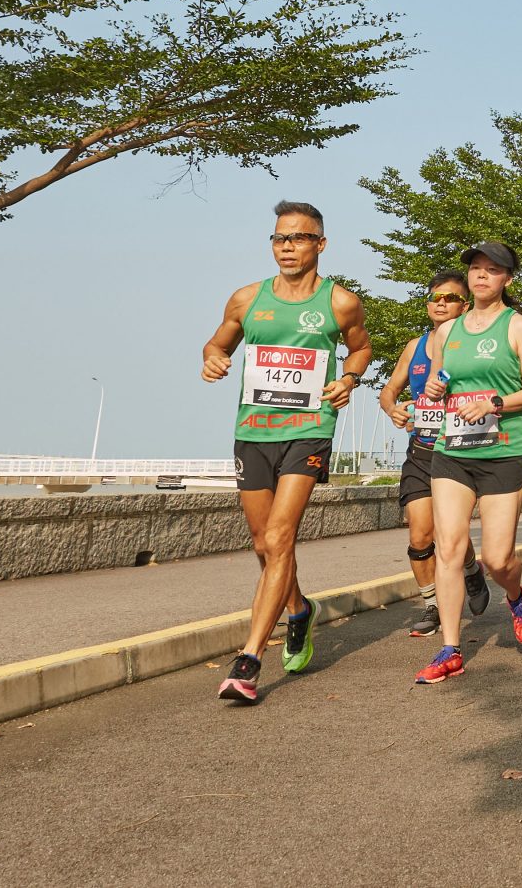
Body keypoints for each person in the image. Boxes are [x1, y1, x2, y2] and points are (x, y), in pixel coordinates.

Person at [200, 200, 372, 704]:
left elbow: (360, 347)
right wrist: (212, 360)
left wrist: (349, 378)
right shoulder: (246, 299)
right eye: (279, 238)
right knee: (262, 543)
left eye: (298, 238)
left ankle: (250, 658)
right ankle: (299, 611)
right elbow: (216, 344)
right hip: (253, 431)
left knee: (280, 535)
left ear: (321, 243)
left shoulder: (340, 302)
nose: (287, 247)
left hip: (310, 429)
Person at [413, 241, 522, 682]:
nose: (481, 276)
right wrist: (435, 389)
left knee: (496, 557)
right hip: (453, 451)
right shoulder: (447, 332)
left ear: (507, 279)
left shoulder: (517, 326)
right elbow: (439, 377)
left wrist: (495, 402)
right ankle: (450, 648)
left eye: (492, 270)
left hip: (502, 451)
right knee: (449, 548)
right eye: (476, 268)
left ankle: (515, 595)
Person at [377, 270, 494, 639]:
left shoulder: (475, 344)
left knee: (450, 533)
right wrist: (392, 408)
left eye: (449, 298)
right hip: (421, 451)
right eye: (434, 298)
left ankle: (471, 570)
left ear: (463, 304)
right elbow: (389, 390)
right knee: (420, 534)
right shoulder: (415, 346)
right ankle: (432, 604)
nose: (440, 303)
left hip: (460, 450)